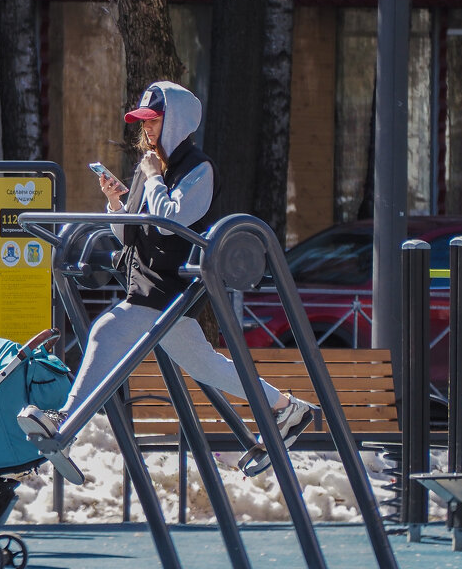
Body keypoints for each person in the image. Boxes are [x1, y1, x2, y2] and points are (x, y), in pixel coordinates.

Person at [17, 80, 314, 479]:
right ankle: (287, 409)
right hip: (146, 281)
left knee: (106, 330)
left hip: (171, 285)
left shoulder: (199, 169)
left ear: (176, 122)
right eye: (144, 121)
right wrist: (117, 201)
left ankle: (65, 425)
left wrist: (153, 179)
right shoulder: (149, 166)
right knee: (206, 366)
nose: (148, 129)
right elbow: (131, 236)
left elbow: (172, 221)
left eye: (154, 120)